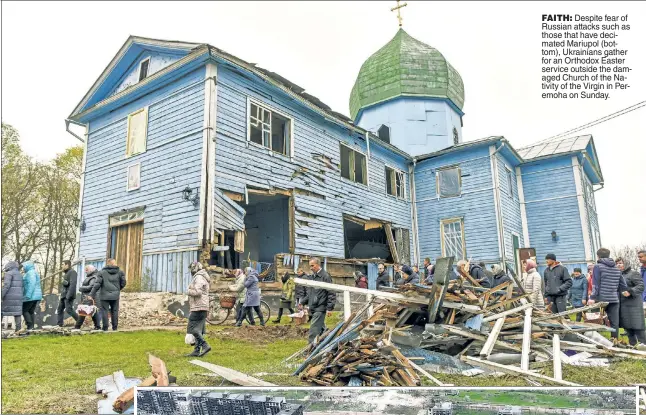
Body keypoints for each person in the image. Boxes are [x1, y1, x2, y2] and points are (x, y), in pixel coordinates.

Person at [588, 248, 629, 342]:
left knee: (595, 321)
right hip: (614, 299)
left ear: (598, 256)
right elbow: (623, 285)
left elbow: (596, 284)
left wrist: (592, 297)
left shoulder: (598, 267)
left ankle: (595, 341)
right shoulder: (616, 268)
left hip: (601, 299)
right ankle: (615, 341)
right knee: (614, 323)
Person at [301, 257, 335, 344]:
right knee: (321, 329)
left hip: (321, 307)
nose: (311, 268)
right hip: (314, 307)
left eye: (312, 266)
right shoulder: (313, 277)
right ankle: (329, 341)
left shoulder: (325, 276)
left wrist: (329, 308)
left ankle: (309, 349)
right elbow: (311, 293)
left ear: (318, 264)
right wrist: (303, 302)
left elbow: (331, 292)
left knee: (314, 329)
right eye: (310, 266)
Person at [89, 258, 126, 331]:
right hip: (115, 295)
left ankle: (105, 328)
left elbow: (97, 285)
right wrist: (117, 289)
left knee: (104, 311)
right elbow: (123, 283)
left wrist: (91, 294)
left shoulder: (101, 272)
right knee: (114, 311)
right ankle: (114, 328)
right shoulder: (120, 272)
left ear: (107, 263)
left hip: (104, 295)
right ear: (114, 263)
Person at [616, 257, 645, 346]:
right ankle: (633, 346)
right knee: (628, 327)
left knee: (638, 327)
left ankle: (644, 345)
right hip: (623, 305)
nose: (618, 265)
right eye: (617, 263)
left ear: (626, 263)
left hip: (634, 305)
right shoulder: (618, 275)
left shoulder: (633, 273)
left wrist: (630, 292)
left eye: (620, 263)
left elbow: (641, 286)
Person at [185, 261, 211, 357]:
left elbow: (198, 292)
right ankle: (196, 350)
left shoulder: (199, 277)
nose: (190, 271)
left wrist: (188, 291)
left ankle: (205, 345)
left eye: (191, 269)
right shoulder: (202, 276)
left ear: (194, 268)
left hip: (199, 306)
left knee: (192, 328)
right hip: (202, 306)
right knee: (199, 329)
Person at [74, 265, 101, 330]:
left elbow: (91, 287)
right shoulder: (92, 277)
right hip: (90, 297)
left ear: (91, 270)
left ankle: (77, 326)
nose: (85, 271)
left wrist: (81, 288)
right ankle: (97, 326)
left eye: (87, 270)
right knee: (93, 312)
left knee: (83, 312)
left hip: (89, 297)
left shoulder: (93, 278)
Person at [2, 261, 24, 332]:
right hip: (19, 296)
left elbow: (6, 286)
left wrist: (1, 295)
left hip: (9, 297)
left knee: (1, 311)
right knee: (17, 313)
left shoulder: (8, 273)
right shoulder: (20, 274)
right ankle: (18, 330)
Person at [57, 260, 79, 327]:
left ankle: (80, 322)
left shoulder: (72, 272)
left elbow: (73, 285)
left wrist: (68, 296)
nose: (62, 266)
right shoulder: (66, 273)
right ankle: (59, 325)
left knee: (69, 310)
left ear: (67, 265)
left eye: (63, 264)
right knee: (60, 309)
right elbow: (66, 284)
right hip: (63, 295)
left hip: (68, 295)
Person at [21, 261, 42, 330]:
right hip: (35, 295)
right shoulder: (33, 272)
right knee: (30, 311)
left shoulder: (30, 273)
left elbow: (31, 284)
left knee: (24, 310)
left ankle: (30, 326)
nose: (23, 268)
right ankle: (31, 327)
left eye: (24, 266)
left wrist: (28, 295)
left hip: (31, 295)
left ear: (27, 266)